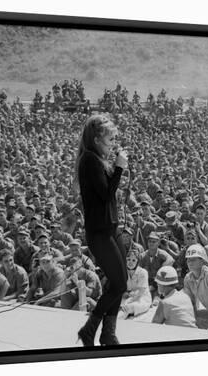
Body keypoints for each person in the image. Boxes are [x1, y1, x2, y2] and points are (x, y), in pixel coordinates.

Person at [75, 114, 129, 346]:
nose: (113, 144)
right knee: (119, 284)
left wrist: (115, 167)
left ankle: (108, 333)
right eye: (110, 139)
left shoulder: (98, 158)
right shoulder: (89, 160)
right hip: (100, 232)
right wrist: (118, 169)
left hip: (111, 229)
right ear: (97, 139)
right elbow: (107, 194)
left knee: (119, 281)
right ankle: (90, 329)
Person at [118, 249, 152, 319]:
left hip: (141, 299)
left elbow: (141, 292)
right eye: (128, 259)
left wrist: (129, 301)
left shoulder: (143, 272)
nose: (130, 262)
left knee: (126, 308)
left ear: (137, 262)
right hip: (128, 297)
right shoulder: (123, 271)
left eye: (133, 260)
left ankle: (117, 322)